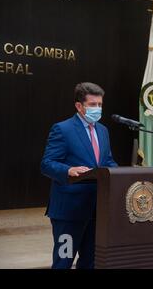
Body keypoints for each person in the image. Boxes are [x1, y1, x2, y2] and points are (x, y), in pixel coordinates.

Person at [41, 82, 118, 269]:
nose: (97, 109)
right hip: (69, 212)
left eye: (100, 105)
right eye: (93, 105)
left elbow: (107, 162)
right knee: (63, 261)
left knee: (90, 262)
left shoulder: (103, 130)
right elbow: (47, 164)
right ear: (79, 106)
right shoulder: (62, 129)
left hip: (97, 210)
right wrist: (68, 170)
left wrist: (120, 174)